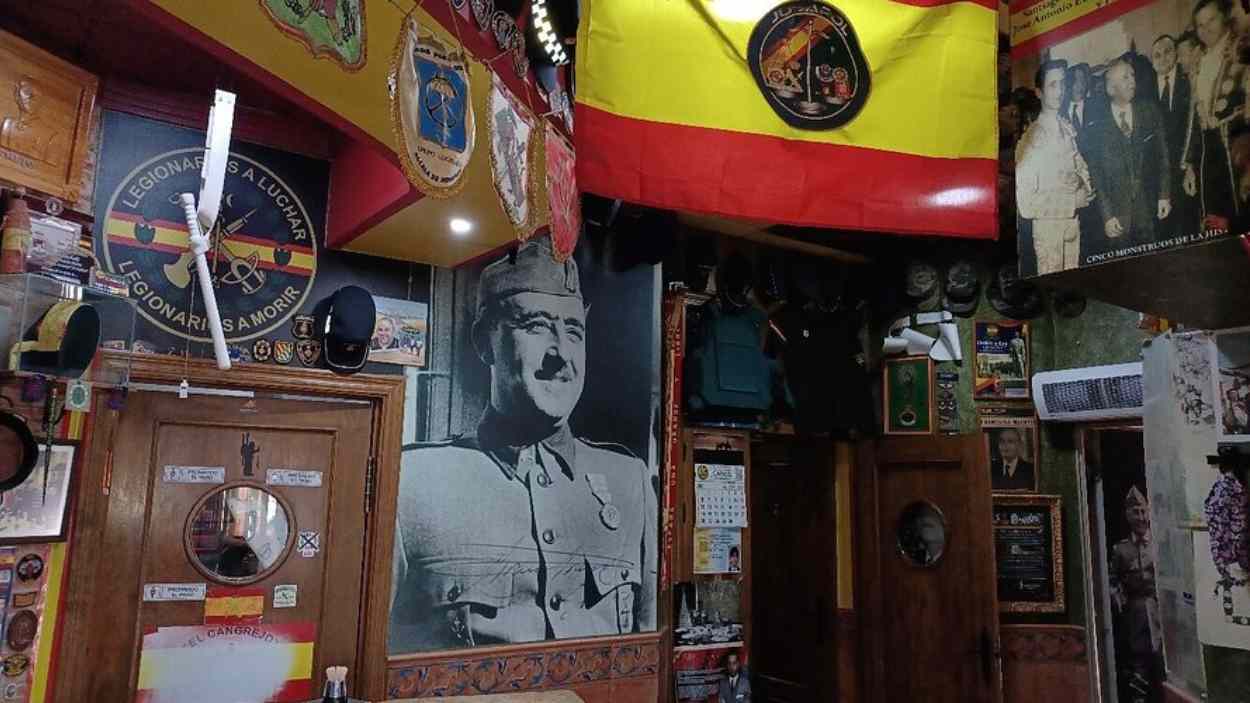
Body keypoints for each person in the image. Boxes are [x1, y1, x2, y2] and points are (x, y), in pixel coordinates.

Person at [390, 236, 657, 652]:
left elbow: (644, 651)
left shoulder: (629, 482)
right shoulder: (413, 485)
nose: (561, 354)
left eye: (574, 331)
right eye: (536, 326)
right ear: (484, 342)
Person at [1016, 59, 1095, 274]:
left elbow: (1082, 168)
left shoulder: (1066, 128)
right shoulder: (1032, 139)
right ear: (1039, 92)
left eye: (1063, 83)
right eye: (1052, 85)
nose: (1060, 91)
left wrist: (1082, 184)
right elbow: (1025, 204)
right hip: (1049, 235)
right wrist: (1072, 201)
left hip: (1072, 229)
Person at [1087, 58, 1172, 250]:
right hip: (1118, 216)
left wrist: (1164, 195)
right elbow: (1096, 173)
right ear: (1111, 87)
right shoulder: (1097, 126)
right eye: (1125, 77)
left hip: (1151, 208)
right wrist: (1107, 215)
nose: (1132, 81)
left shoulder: (1150, 111)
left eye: (1132, 76)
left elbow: (1163, 157)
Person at [1183, 0, 1245, 228]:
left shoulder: (1242, 49)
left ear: (1224, 17)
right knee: (1212, 217)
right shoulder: (1198, 61)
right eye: (1200, 25)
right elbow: (1193, 117)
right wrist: (1189, 164)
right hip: (1207, 151)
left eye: (1211, 20)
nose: (1206, 29)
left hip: (1237, 145)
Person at [1109, 486, 1162, 703]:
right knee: (1138, 664)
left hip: (1160, 610)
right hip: (1134, 613)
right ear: (1127, 515)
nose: (1140, 517)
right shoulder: (1120, 550)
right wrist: (1118, 599)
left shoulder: (1159, 543)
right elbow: (1112, 580)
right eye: (1135, 512)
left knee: (1162, 663)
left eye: (1143, 511)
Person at [1153, 35, 1197, 237]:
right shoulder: (1145, 90)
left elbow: (1194, 126)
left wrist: (1191, 163)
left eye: (1167, 51)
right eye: (1157, 55)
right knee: (1165, 230)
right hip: (1159, 174)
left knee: (1190, 223)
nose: (1162, 58)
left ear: (1176, 54)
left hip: (1185, 166)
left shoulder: (1189, 80)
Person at [0, 79, 62, 165]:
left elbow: (46, 170)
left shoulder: (51, 136)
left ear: (42, 101)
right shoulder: (7, 124)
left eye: (38, 95)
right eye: (27, 91)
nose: (32, 97)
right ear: (17, 95)